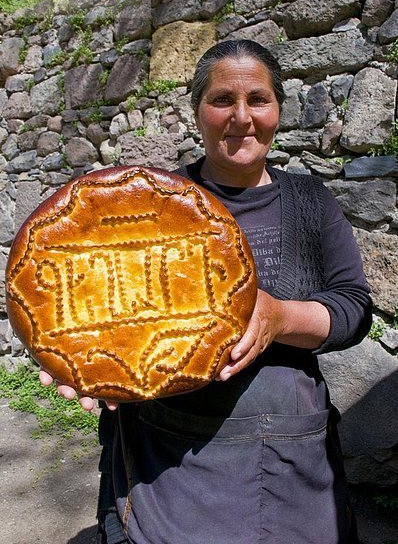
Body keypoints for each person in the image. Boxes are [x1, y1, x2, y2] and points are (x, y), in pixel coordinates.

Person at [40, 39, 372, 543]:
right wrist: (81, 355)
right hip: (168, 468)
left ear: (277, 110)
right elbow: (94, 299)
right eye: (222, 100)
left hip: (290, 461)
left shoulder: (309, 202)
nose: (242, 117)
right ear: (197, 112)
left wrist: (280, 317)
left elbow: (354, 310)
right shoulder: (153, 203)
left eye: (257, 99)